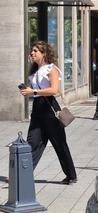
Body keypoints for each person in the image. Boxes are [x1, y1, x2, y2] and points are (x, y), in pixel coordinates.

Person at [19, 41, 77, 185]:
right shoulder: (35, 71)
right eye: (32, 51)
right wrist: (29, 92)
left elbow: (53, 90)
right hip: (38, 107)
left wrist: (34, 91)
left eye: (35, 51)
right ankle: (22, 174)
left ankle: (71, 175)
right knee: (32, 141)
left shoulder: (51, 69)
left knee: (59, 143)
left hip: (49, 107)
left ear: (44, 53)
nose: (32, 53)